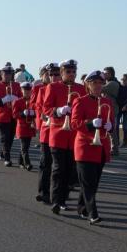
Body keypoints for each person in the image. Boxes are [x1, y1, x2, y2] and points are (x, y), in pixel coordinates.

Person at [43, 59, 87, 214]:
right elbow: (46, 109)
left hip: (74, 135)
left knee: (70, 171)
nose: (72, 74)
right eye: (68, 72)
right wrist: (59, 111)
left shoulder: (81, 89)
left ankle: (63, 197)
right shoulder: (53, 87)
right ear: (62, 73)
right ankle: (56, 200)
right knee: (58, 169)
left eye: (74, 71)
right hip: (58, 133)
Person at [72, 70, 114, 225]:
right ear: (88, 84)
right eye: (94, 83)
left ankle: (82, 208)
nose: (97, 86)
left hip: (101, 146)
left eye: (100, 83)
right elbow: (75, 123)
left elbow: (112, 122)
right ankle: (92, 213)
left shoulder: (107, 102)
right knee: (88, 183)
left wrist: (111, 126)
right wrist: (90, 123)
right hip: (85, 146)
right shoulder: (80, 101)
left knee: (92, 183)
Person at [0, 64, 22, 166]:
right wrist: (3, 100)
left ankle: (3, 153)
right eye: (5, 74)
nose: (7, 76)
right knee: (5, 137)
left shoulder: (16, 85)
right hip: (2, 115)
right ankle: (7, 158)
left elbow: (21, 97)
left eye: (10, 74)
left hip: (13, 114)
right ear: (1, 74)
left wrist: (17, 98)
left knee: (11, 137)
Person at [33, 64, 58, 204]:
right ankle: (43, 192)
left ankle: (58, 194)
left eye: (56, 74)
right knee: (45, 163)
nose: (53, 77)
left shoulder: (67, 90)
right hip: (47, 131)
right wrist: (41, 115)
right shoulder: (41, 89)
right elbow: (37, 105)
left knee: (59, 167)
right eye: (51, 74)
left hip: (61, 132)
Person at [12, 82, 36, 170]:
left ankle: (20, 162)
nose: (27, 92)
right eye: (25, 90)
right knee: (24, 147)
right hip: (22, 127)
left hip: (30, 127)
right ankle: (28, 164)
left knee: (26, 146)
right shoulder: (17, 101)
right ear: (21, 91)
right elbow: (14, 115)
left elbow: (38, 111)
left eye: (29, 90)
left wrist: (35, 113)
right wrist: (22, 113)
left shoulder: (33, 101)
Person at [102, 66, 120, 155]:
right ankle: (112, 148)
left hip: (112, 109)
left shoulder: (112, 83)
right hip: (108, 109)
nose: (104, 75)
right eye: (104, 73)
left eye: (106, 73)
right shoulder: (108, 82)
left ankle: (114, 149)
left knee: (111, 130)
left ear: (111, 74)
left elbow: (101, 88)